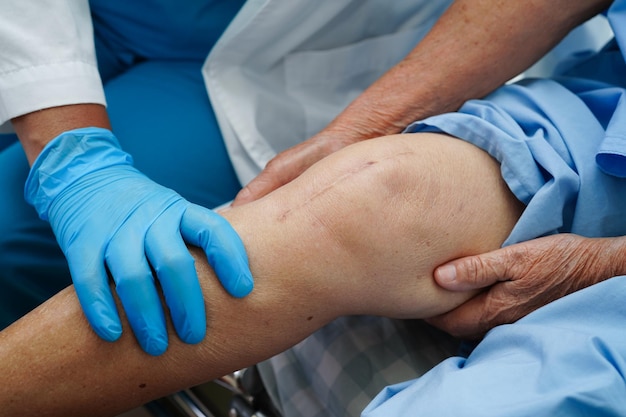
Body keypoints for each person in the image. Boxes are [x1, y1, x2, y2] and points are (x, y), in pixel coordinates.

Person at [0, 0, 623, 415]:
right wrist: (73, 157)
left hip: (294, 56)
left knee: (8, 237)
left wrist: (608, 263)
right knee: (374, 195)